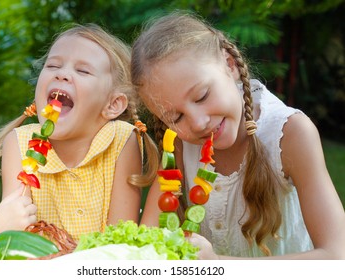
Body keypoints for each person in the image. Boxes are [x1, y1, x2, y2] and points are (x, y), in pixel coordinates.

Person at [131, 12, 345, 259]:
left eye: (202, 96)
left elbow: (337, 256)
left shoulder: (290, 134)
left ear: (230, 64)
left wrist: (218, 266)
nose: (198, 123)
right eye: (176, 117)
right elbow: (146, 240)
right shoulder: (179, 143)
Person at [0, 23, 159, 241]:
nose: (62, 74)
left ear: (113, 105)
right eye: (53, 66)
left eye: (82, 70)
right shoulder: (19, 143)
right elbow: (14, 234)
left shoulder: (122, 140)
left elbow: (119, 242)